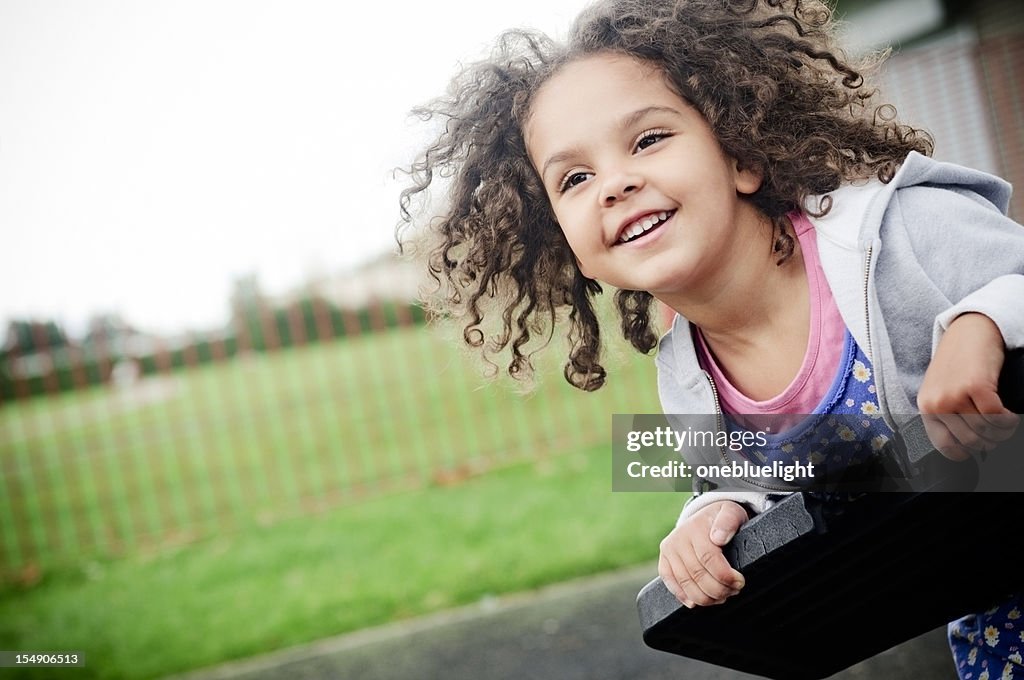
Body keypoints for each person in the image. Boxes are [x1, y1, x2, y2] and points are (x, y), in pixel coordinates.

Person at [397, 0, 1024, 676]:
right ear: (570, 249)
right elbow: (754, 480)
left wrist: (981, 322)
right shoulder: (688, 375)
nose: (616, 183)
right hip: (991, 581)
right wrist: (713, 512)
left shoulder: (898, 233)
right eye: (575, 179)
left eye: (648, 140)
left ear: (741, 156)